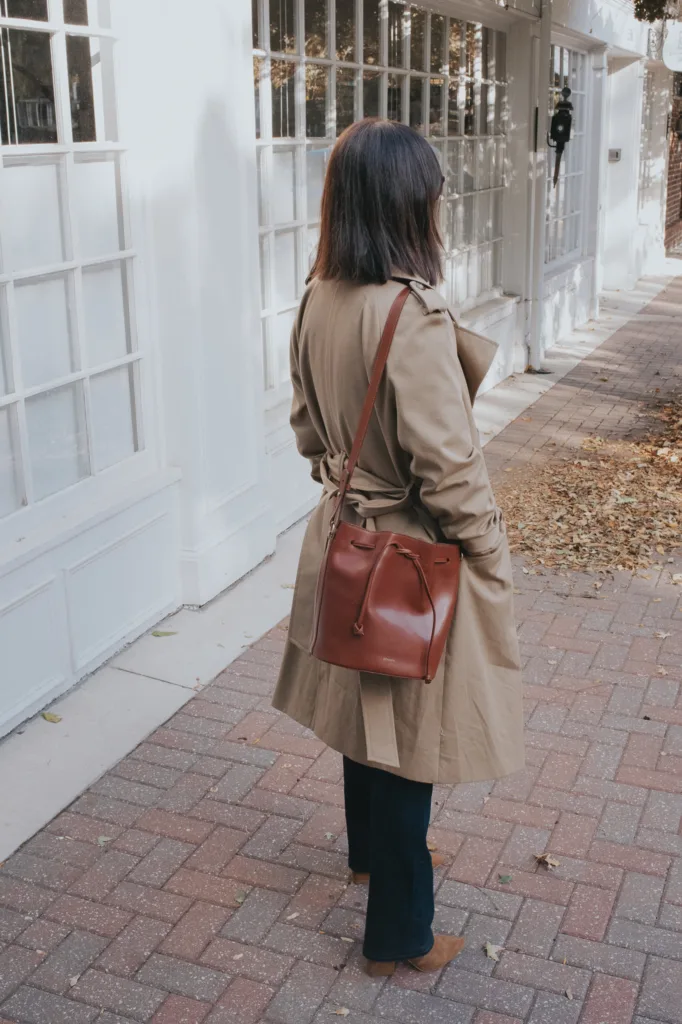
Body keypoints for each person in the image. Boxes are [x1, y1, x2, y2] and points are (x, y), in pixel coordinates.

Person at [272, 118, 524, 977]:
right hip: (409, 557)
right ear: (408, 202)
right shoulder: (406, 315)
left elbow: (307, 429)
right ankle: (399, 935)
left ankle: (369, 855)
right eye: (434, 189)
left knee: (363, 711)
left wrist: (350, 482)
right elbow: (450, 468)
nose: (441, 201)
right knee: (410, 731)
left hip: (344, 537)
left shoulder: (316, 296)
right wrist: (490, 553)